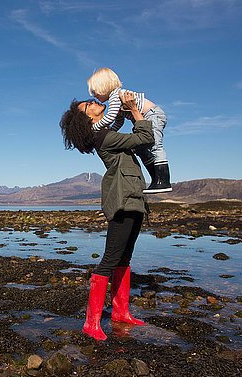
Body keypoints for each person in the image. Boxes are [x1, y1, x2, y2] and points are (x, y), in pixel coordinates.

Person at [59, 91, 152, 341]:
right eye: (89, 104)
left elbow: (117, 124)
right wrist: (134, 109)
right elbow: (144, 137)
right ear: (87, 118)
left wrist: (122, 111)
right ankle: (91, 323)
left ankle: (121, 312)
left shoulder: (106, 132)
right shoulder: (103, 137)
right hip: (121, 200)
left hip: (134, 197)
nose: (94, 103)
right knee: (110, 259)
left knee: (124, 258)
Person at [87, 67, 171, 193]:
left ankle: (163, 181)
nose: (94, 95)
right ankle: (155, 180)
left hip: (152, 115)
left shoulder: (116, 96)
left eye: (95, 91)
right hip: (147, 118)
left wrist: (95, 128)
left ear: (103, 86)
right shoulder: (116, 99)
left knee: (155, 146)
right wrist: (111, 132)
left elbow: (110, 118)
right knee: (141, 149)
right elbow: (119, 121)